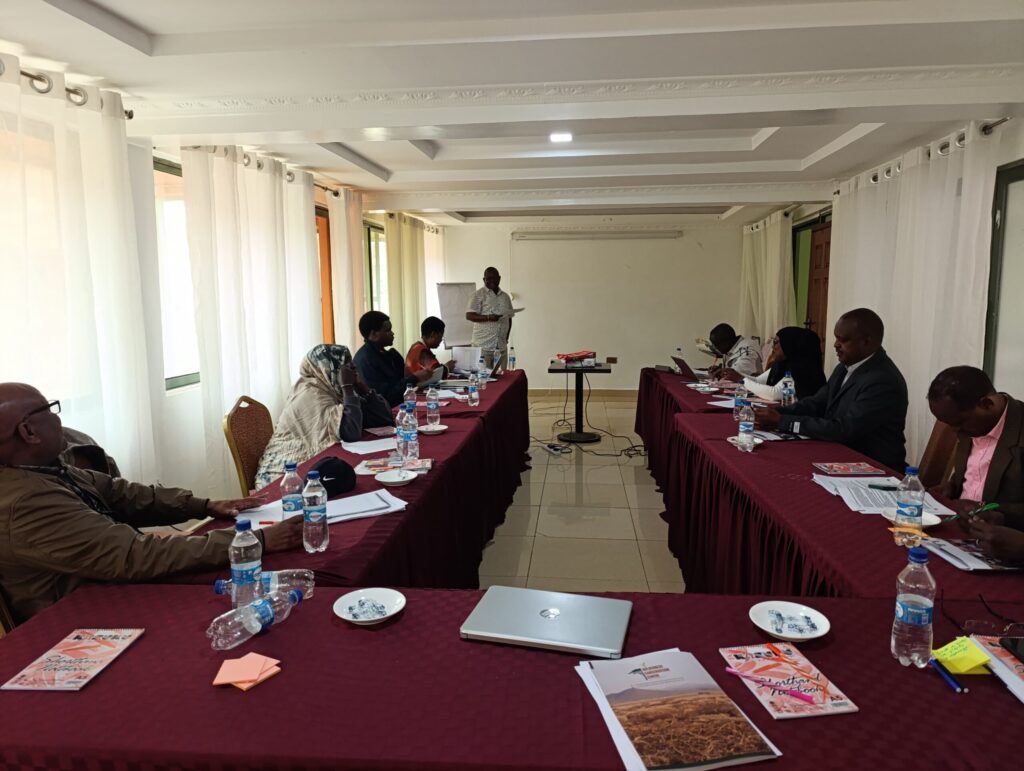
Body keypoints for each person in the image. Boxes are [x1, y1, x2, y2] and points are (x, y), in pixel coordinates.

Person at [0, 383, 303, 624]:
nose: (58, 418)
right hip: (79, 616)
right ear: (28, 431)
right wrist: (255, 541)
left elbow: (120, 493)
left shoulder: (45, 467)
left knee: (259, 584)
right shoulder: (25, 502)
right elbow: (134, 556)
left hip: (111, 584)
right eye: (49, 409)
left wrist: (204, 505)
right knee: (242, 601)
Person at [757, 308, 908, 470]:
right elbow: (816, 403)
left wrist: (783, 422)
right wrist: (777, 413)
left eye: (843, 340)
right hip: (840, 455)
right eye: (836, 338)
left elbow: (845, 429)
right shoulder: (844, 367)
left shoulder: (883, 380)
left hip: (875, 467)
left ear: (866, 341)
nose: (835, 345)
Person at [254, 345, 394, 489]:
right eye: (345, 363)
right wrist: (347, 387)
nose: (353, 366)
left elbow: (385, 418)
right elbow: (351, 433)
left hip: (313, 469)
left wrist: (361, 387)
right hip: (284, 477)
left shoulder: (331, 388)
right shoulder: (310, 393)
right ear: (328, 368)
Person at [925, 366, 1024, 560]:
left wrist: (1000, 514)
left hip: (1004, 543)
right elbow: (976, 469)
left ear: (986, 404)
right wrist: (951, 487)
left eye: (960, 423)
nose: (955, 432)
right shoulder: (972, 424)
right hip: (958, 528)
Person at [353, 311, 434, 407]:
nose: (392, 333)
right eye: (388, 330)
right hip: (384, 411)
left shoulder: (389, 355)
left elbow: (401, 383)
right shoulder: (365, 360)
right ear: (374, 334)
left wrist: (418, 380)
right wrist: (415, 378)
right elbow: (385, 397)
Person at [742, 327, 826, 401]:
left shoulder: (804, 369)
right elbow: (758, 381)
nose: (773, 346)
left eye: (776, 342)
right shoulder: (783, 364)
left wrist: (743, 381)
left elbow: (774, 393)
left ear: (789, 344)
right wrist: (740, 377)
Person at [466, 266, 513, 367]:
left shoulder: (505, 297)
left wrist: (506, 338)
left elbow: (509, 318)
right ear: (484, 279)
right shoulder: (478, 295)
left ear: (499, 278)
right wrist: (489, 317)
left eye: (494, 278)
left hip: (501, 348)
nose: (492, 281)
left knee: (502, 376)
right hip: (482, 348)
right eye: (488, 278)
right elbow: (469, 315)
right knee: (483, 376)